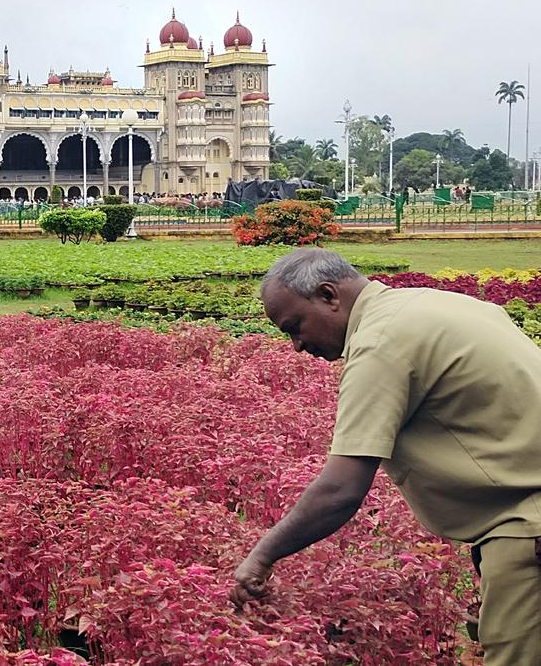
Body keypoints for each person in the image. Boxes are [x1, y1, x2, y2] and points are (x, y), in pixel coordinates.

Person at [231, 248, 541, 666]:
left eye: (295, 326)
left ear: (328, 295)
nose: (297, 346)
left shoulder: (379, 342)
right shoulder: (431, 302)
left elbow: (342, 488)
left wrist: (261, 557)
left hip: (527, 523)